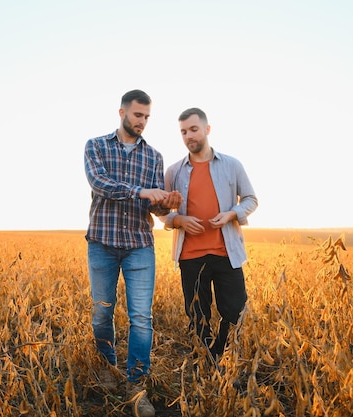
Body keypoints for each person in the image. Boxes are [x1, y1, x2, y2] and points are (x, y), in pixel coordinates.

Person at [84, 89, 182, 417]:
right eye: (138, 115)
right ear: (122, 112)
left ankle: (135, 386)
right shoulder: (95, 146)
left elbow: (153, 207)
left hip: (139, 245)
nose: (142, 122)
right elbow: (100, 184)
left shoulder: (153, 156)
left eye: (147, 117)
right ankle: (107, 372)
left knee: (141, 318)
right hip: (102, 243)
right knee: (102, 313)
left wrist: (165, 203)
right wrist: (142, 192)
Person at [161, 107, 258, 362]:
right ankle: (206, 362)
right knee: (197, 315)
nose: (188, 136)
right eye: (183, 132)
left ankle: (220, 354)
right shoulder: (173, 171)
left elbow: (250, 199)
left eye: (193, 129)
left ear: (207, 129)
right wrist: (178, 219)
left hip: (226, 252)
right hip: (190, 256)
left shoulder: (232, 165)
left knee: (235, 310)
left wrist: (231, 214)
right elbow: (160, 211)